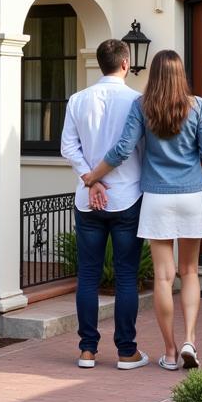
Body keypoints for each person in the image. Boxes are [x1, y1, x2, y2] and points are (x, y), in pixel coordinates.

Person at [83, 49, 202, 371]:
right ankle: (189, 340)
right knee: (190, 272)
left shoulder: (142, 106)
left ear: (154, 74)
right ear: (180, 74)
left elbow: (122, 150)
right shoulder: (197, 106)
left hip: (156, 197)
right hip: (191, 196)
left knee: (162, 276)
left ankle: (170, 352)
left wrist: (94, 176)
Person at [60, 38, 149, 370]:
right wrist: (96, 180)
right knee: (126, 276)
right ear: (125, 63)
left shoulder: (78, 100)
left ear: (101, 64)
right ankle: (126, 352)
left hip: (88, 201)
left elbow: (68, 147)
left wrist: (90, 179)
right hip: (128, 197)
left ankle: (87, 350)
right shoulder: (136, 101)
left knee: (87, 276)